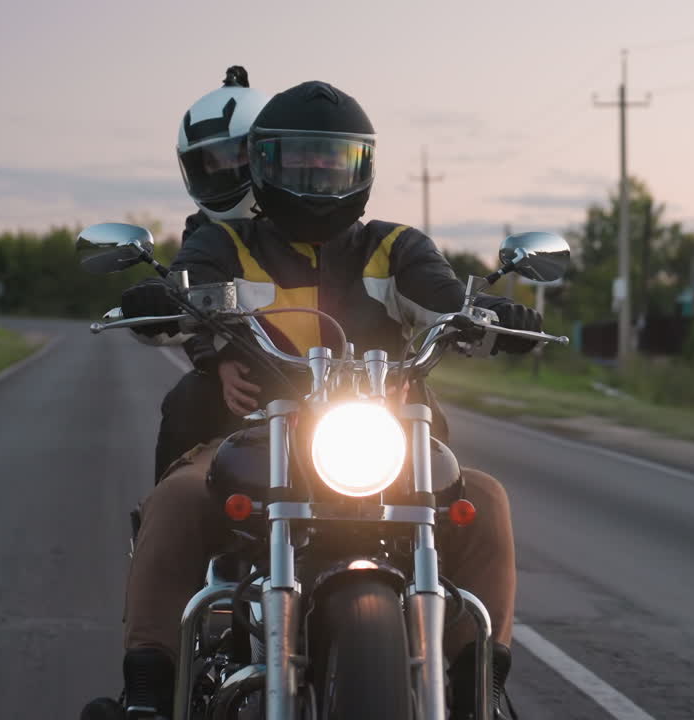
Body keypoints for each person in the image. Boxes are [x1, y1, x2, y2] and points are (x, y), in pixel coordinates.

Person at [85, 80, 542, 720]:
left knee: (486, 499)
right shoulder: (226, 244)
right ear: (263, 163)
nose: (319, 175)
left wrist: (487, 315)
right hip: (251, 438)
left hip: (382, 442)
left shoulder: (395, 246)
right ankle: (147, 695)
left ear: (363, 166)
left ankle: (481, 691)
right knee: (179, 496)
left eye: (334, 160)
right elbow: (195, 286)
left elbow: (442, 296)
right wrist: (167, 303)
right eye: (301, 160)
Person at [150, 66, 271, 483]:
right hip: (250, 378)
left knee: (422, 408)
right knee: (185, 401)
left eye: (237, 155)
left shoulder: (311, 217)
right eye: (210, 160)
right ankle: (163, 519)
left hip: (340, 378)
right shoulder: (202, 234)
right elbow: (190, 304)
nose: (223, 169)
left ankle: (440, 518)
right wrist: (218, 361)